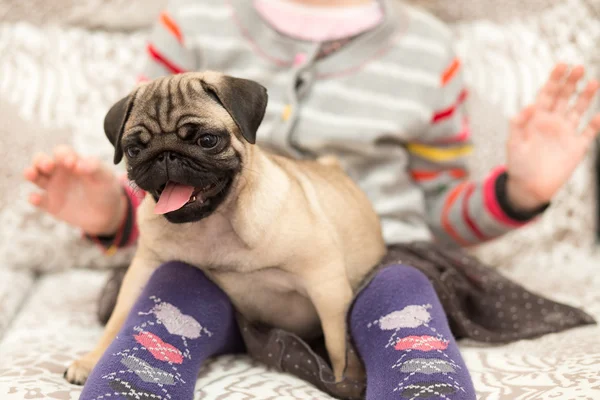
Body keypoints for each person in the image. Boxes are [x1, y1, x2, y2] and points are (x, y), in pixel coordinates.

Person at [24, 0, 600, 399]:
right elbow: (171, 183)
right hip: (209, 266)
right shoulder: (192, 24)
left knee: (403, 287)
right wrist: (108, 214)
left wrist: (520, 190)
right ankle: (131, 379)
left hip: (375, 256)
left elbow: (439, 207)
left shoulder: (428, 48)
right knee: (173, 284)